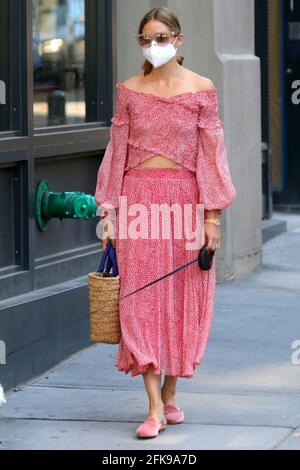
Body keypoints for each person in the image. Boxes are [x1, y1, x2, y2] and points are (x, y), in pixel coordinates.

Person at [94, 6, 237, 439]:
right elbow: (115, 152)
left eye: (160, 37)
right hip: (137, 201)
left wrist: (212, 216)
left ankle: (171, 394)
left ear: (178, 39)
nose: (153, 46)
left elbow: (212, 155)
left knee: (179, 297)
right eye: (145, 39)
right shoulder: (129, 90)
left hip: (184, 204)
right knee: (140, 298)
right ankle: (154, 407)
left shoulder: (202, 89)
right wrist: (109, 210)